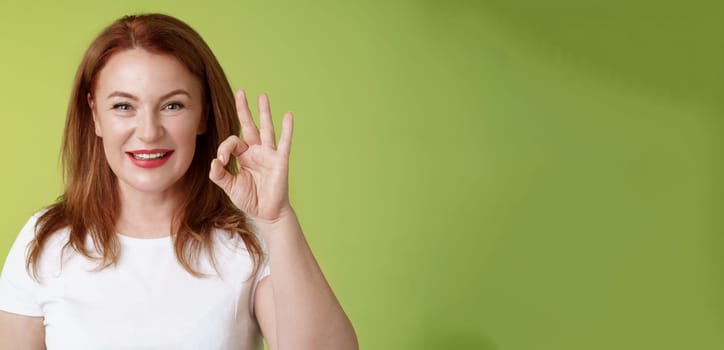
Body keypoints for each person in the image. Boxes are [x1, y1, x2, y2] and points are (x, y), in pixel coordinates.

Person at [0, 13, 358, 350]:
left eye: (172, 106)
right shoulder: (45, 241)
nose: (149, 132)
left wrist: (278, 221)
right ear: (95, 115)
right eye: (124, 106)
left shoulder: (249, 240)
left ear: (203, 114)